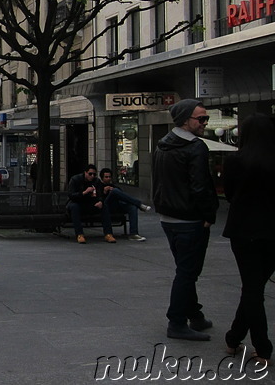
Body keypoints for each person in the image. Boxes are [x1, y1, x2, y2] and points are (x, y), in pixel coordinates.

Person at [152, 99, 218, 342]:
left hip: (168, 217)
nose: (204, 123)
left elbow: (158, 180)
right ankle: (177, 322)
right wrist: (209, 215)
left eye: (206, 118)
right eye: (200, 119)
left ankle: (195, 315)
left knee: (185, 269)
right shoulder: (195, 147)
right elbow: (201, 186)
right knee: (188, 272)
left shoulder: (162, 145)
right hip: (190, 219)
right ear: (184, 120)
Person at [222, 113, 275, 365]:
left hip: (243, 230)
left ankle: (260, 346)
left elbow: (229, 193)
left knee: (252, 288)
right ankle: (234, 338)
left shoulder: (235, 161)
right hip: (273, 232)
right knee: (255, 286)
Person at [98, 168, 151, 242]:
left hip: (116, 205)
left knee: (132, 207)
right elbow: (98, 199)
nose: (108, 179)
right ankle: (139, 204)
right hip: (105, 207)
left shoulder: (114, 186)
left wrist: (115, 191)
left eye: (109, 177)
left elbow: (123, 196)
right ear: (102, 178)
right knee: (115, 191)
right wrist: (104, 192)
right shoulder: (99, 186)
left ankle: (133, 233)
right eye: (106, 177)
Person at [65, 164, 115, 244]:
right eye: (90, 174)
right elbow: (71, 195)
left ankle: (108, 233)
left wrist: (100, 201)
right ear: (85, 173)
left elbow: (100, 194)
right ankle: (79, 234)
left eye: (94, 174)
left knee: (104, 207)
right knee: (75, 207)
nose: (92, 176)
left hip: (90, 203)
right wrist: (84, 192)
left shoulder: (96, 181)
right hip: (77, 203)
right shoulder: (75, 179)